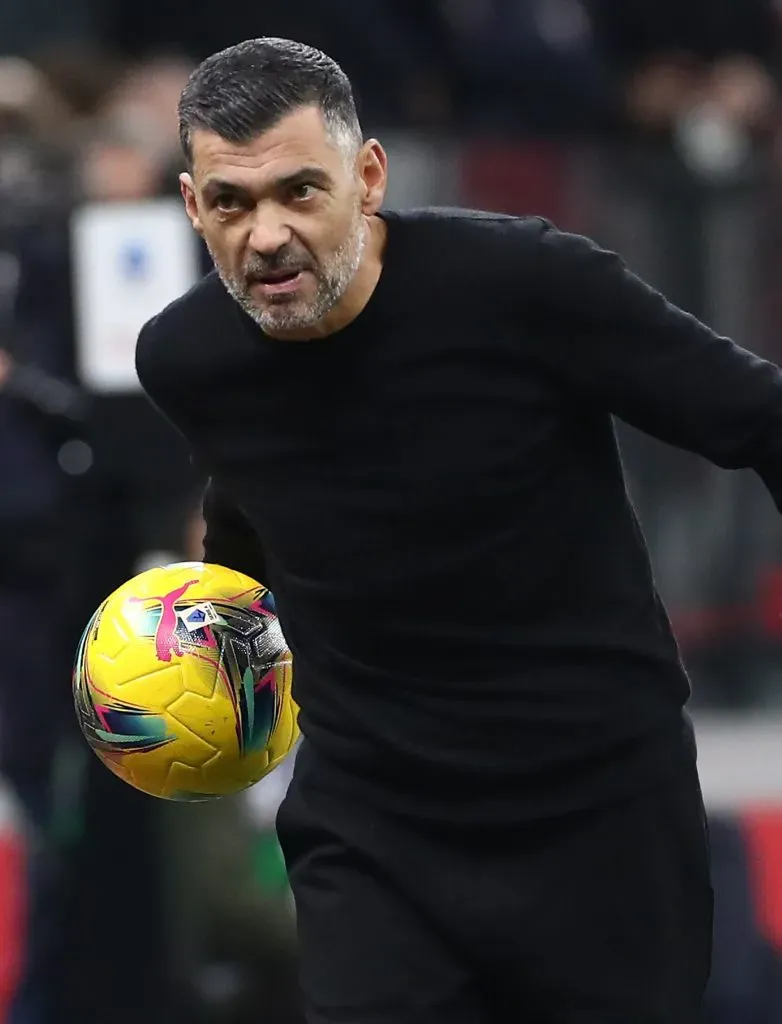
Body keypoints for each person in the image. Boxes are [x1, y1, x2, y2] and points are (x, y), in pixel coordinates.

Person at [133, 36, 782, 1024]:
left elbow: (755, 418)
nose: (264, 235)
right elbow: (250, 513)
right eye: (231, 202)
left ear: (368, 177)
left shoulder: (525, 283)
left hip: (595, 815)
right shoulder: (184, 357)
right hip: (373, 832)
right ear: (192, 206)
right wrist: (199, 670)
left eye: (298, 192)